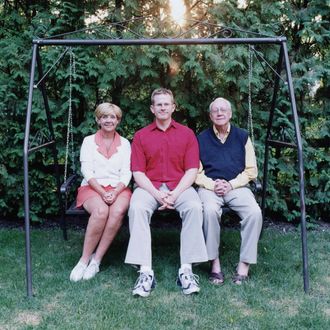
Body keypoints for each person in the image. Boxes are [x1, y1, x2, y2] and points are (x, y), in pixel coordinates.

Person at [125, 88, 208, 297]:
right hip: (149, 187)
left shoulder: (187, 134)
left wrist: (174, 194)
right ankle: (145, 272)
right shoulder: (141, 136)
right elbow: (137, 172)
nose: (163, 107)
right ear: (152, 109)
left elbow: (191, 171)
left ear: (173, 107)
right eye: (158, 104)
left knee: (194, 206)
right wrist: (156, 194)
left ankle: (186, 271)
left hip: (180, 186)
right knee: (136, 207)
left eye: (166, 104)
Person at [196, 97, 262, 285]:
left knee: (254, 212)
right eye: (215, 110)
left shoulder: (242, 136)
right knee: (209, 211)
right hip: (210, 187)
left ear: (230, 114)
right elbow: (195, 172)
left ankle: (244, 265)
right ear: (210, 116)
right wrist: (212, 184)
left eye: (223, 109)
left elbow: (251, 170)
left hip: (237, 186)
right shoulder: (201, 138)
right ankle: (214, 263)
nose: (219, 113)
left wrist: (231, 184)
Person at [70, 103, 132, 282]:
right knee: (101, 211)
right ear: (98, 119)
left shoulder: (125, 144)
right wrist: (102, 192)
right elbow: (87, 171)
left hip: (119, 188)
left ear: (118, 121)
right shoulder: (89, 141)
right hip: (92, 187)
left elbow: (127, 172)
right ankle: (83, 260)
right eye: (104, 117)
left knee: (117, 211)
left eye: (112, 117)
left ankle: (96, 260)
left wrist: (115, 191)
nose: (108, 120)